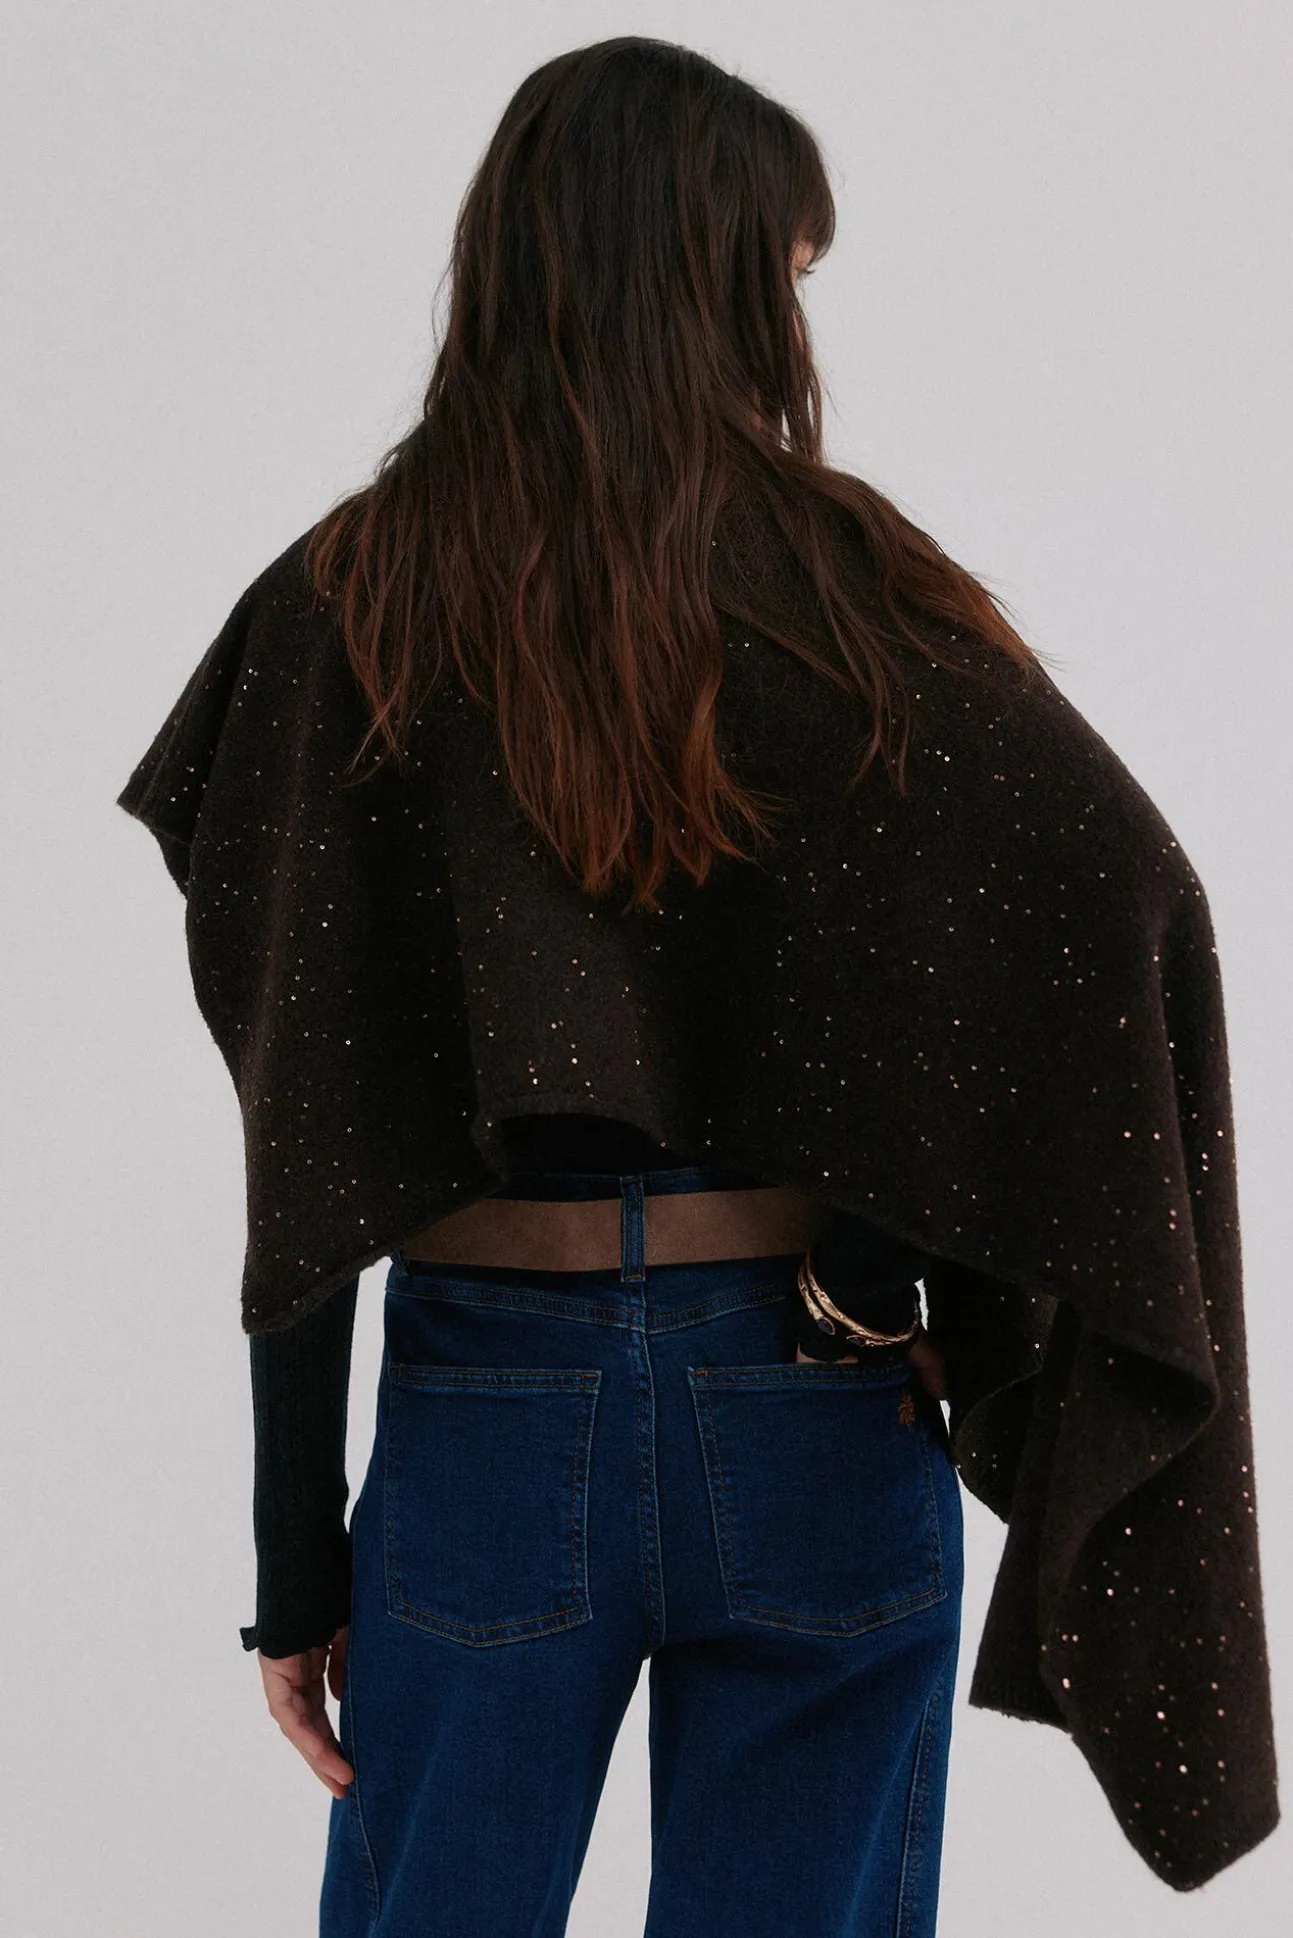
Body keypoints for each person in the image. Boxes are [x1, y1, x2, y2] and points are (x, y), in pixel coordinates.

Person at [115, 33, 1277, 1936]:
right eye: (788, 277)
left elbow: (312, 1114)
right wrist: (915, 1292)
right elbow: (1108, 915)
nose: (797, 330)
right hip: (814, 1399)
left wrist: (293, 1559)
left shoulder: (347, 604)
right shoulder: (863, 600)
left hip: (490, 1401)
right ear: (717, 277)